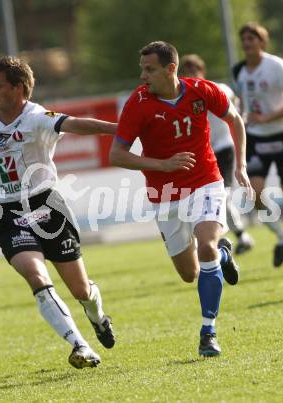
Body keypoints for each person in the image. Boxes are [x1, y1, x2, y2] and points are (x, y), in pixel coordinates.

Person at [0, 56, 116, 369]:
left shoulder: (38, 117)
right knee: (36, 277)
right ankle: (80, 345)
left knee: (81, 289)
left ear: (18, 88)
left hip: (47, 205)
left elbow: (74, 124)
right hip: (7, 213)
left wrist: (120, 129)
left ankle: (97, 315)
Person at [109, 41, 251, 357]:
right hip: (165, 195)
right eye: (142, 69)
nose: (143, 76)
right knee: (189, 274)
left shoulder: (202, 90)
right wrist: (162, 165)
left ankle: (208, 332)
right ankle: (223, 257)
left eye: (150, 69)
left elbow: (235, 120)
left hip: (206, 182)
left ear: (171, 68)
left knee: (206, 246)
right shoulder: (138, 102)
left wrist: (239, 165)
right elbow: (116, 154)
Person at [232, 22, 283, 266]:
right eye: (244, 39)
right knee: (253, 194)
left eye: (251, 39)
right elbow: (244, 103)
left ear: (262, 43)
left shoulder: (277, 66)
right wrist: (243, 119)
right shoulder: (240, 71)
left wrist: (267, 117)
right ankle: (282, 235)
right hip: (257, 137)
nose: (247, 44)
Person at [180, 54, 254, 255]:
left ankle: (236, 235)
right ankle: (224, 238)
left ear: (202, 72)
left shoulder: (220, 89)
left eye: (194, 71)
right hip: (203, 153)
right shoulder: (183, 95)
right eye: (186, 73)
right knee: (197, 200)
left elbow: (238, 114)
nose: (191, 76)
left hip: (223, 148)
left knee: (224, 196)